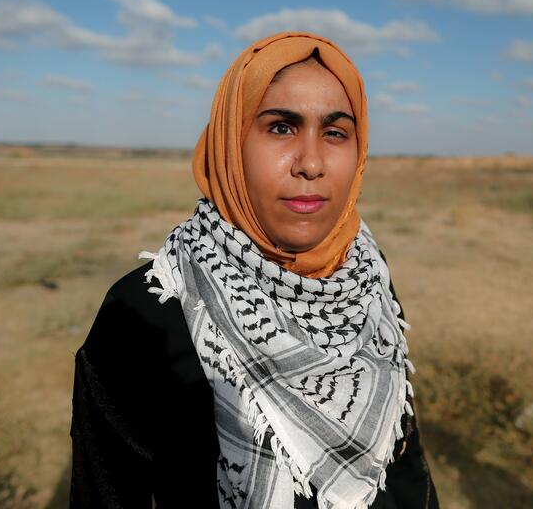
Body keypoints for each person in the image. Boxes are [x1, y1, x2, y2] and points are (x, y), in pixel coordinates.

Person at [69, 32, 439, 509]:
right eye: (281, 128)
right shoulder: (145, 312)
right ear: (230, 143)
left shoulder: (366, 277)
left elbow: (407, 466)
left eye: (335, 132)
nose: (310, 163)